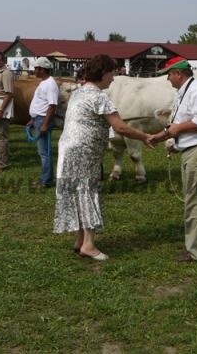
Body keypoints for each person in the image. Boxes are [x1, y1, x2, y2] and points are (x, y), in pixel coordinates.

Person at [53, 54, 153, 261]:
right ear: (103, 73)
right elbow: (120, 126)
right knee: (88, 193)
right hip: (84, 152)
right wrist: (145, 136)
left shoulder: (79, 93)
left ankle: (80, 240)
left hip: (68, 149)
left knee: (76, 193)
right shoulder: (100, 97)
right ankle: (89, 245)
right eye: (112, 73)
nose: (114, 79)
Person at [148, 56, 197, 263]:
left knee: (196, 203)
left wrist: (177, 130)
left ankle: (196, 252)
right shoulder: (186, 91)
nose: (168, 79)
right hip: (194, 150)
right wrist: (159, 136)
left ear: (179, 73)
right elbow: (178, 123)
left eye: (169, 74)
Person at [27, 57, 59, 187]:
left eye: (36, 68)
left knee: (44, 152)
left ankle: (46, 180)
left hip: (43, 119)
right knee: (43, 152)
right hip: (39, 119)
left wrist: (45, 124)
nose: (34, 71)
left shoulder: (50, 84)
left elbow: (52, 106)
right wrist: (33, 119)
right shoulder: (44, 82)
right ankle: (46, 178)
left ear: (42, 69)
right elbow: (41, 103)